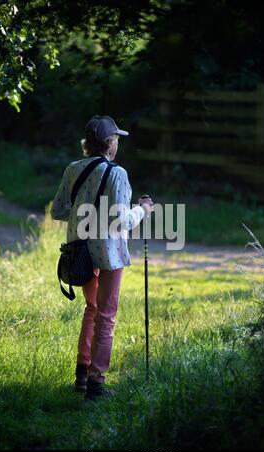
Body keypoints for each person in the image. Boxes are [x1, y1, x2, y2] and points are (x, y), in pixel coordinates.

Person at [50, 115, 153, 400]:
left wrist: (85, 210)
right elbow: (122, 221)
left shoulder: (73, 169)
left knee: (92, 310)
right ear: (110, 143)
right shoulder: (117, 174)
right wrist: (143, 209)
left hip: (81, 250)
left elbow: (58, 211)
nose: (117, 144)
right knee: (106, 316)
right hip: (109, 252)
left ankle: (81, 374)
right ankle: (97, 384)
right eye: (116, 139)